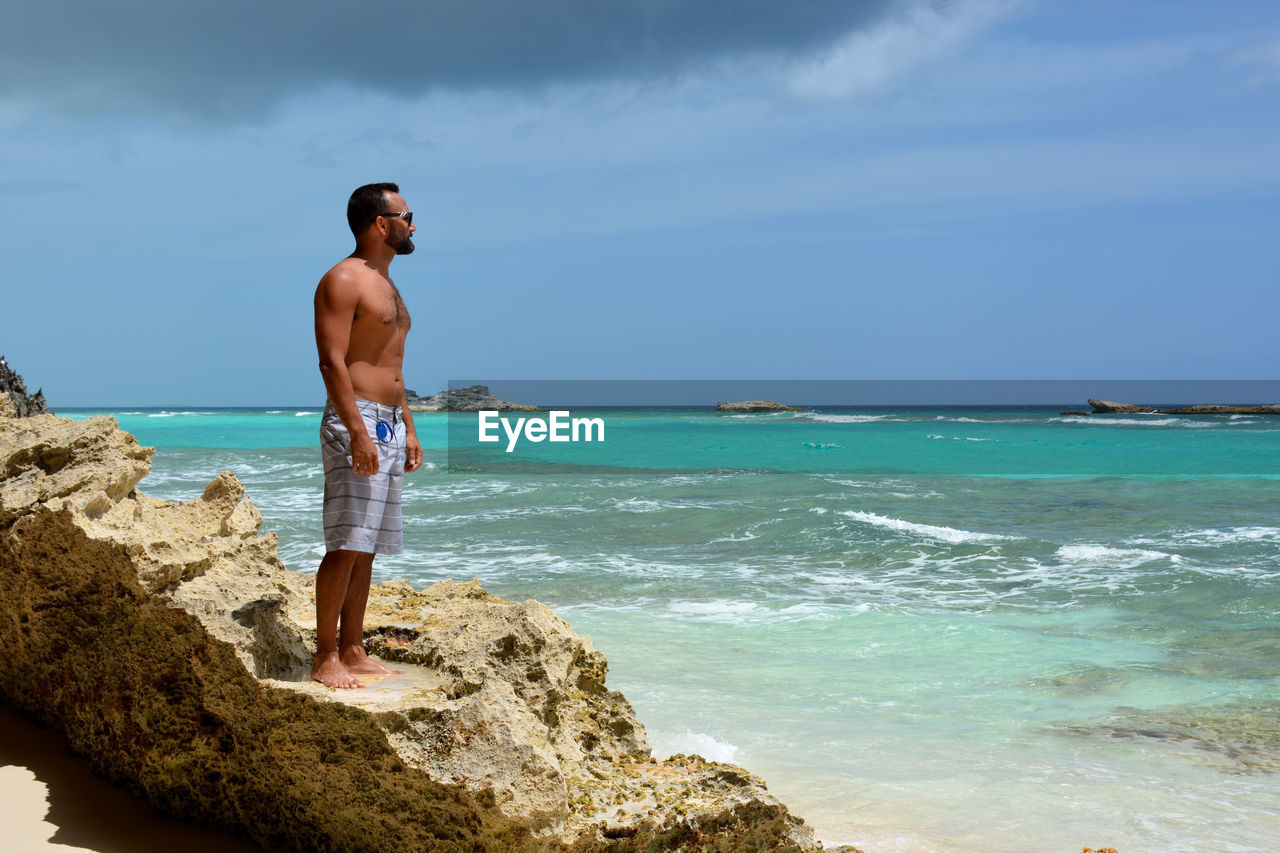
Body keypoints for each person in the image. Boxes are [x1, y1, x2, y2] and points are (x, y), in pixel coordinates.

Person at [311, 182, 424, 688]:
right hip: (356, 420)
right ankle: (325, 657)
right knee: (346, 541)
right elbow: (332, 361)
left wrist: (410, 427)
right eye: (407, 215)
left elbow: (391, 364)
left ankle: (354, 647)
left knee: (369, 543)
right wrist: (357, 431)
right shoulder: (342, 279)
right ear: (382, 224)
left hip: (390, 422)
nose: (413, 224)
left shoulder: (388, 284)